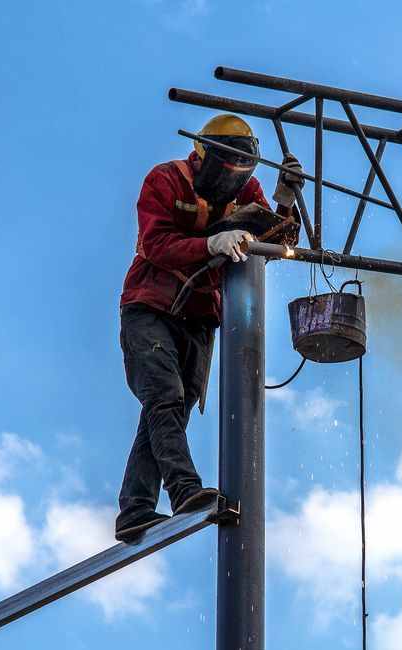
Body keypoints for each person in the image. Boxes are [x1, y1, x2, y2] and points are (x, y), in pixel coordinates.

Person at [114, 113, 304, 542]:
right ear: (202, 156)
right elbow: (155, 244)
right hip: (151, 307)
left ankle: (136, 508)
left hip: (200, 315)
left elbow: (277, 243)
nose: (232, 182)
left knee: (170, 408)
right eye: (227, 171)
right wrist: (207, 244)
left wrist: (285, 203)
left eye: (241, 174)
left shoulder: (246, 191)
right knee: (164, 396)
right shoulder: (166, 180)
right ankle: (184, 492)